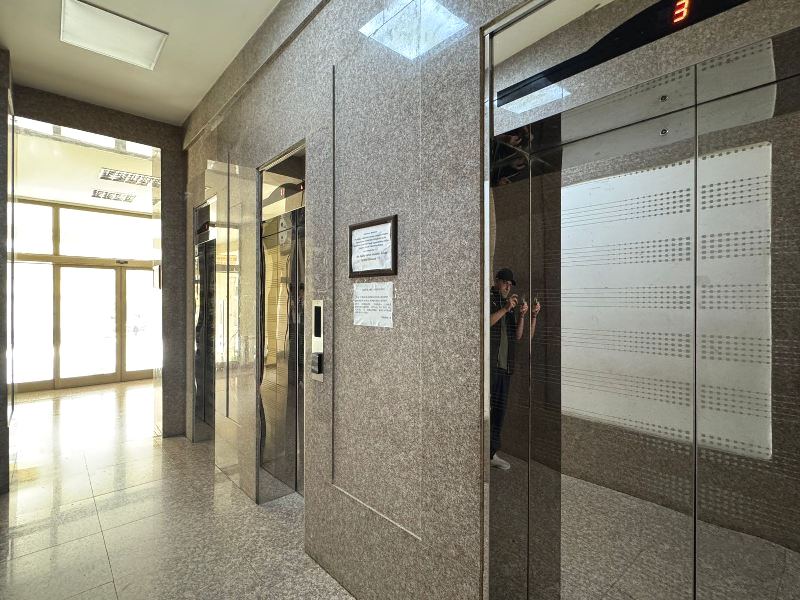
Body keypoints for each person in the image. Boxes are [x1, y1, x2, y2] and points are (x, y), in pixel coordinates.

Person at [489, 268, 540, 470]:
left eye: (510, 285)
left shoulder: (509, 305)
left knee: (499, 412)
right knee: (487, 411)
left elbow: (519, 336)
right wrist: (505, 309)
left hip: (505, 368)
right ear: (497, 281)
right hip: (490, 367)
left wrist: (527, 316)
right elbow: (484, 323)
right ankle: (480, 452)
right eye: (505, 283)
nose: (508, 287)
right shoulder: (489, 299)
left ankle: (491, 453)